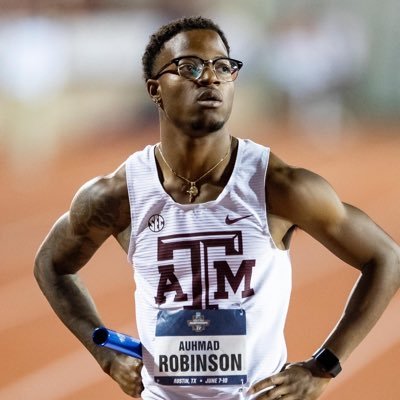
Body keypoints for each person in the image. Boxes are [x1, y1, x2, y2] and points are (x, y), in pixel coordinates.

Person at [34, 16, 399, 400]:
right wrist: (106, 356)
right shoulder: (119, 194)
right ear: (155, 89)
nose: (210, 78)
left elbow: (385, 258)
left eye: (223, 67)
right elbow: (52, 265)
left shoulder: (280, 187)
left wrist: (324, 367)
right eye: (190, 66)